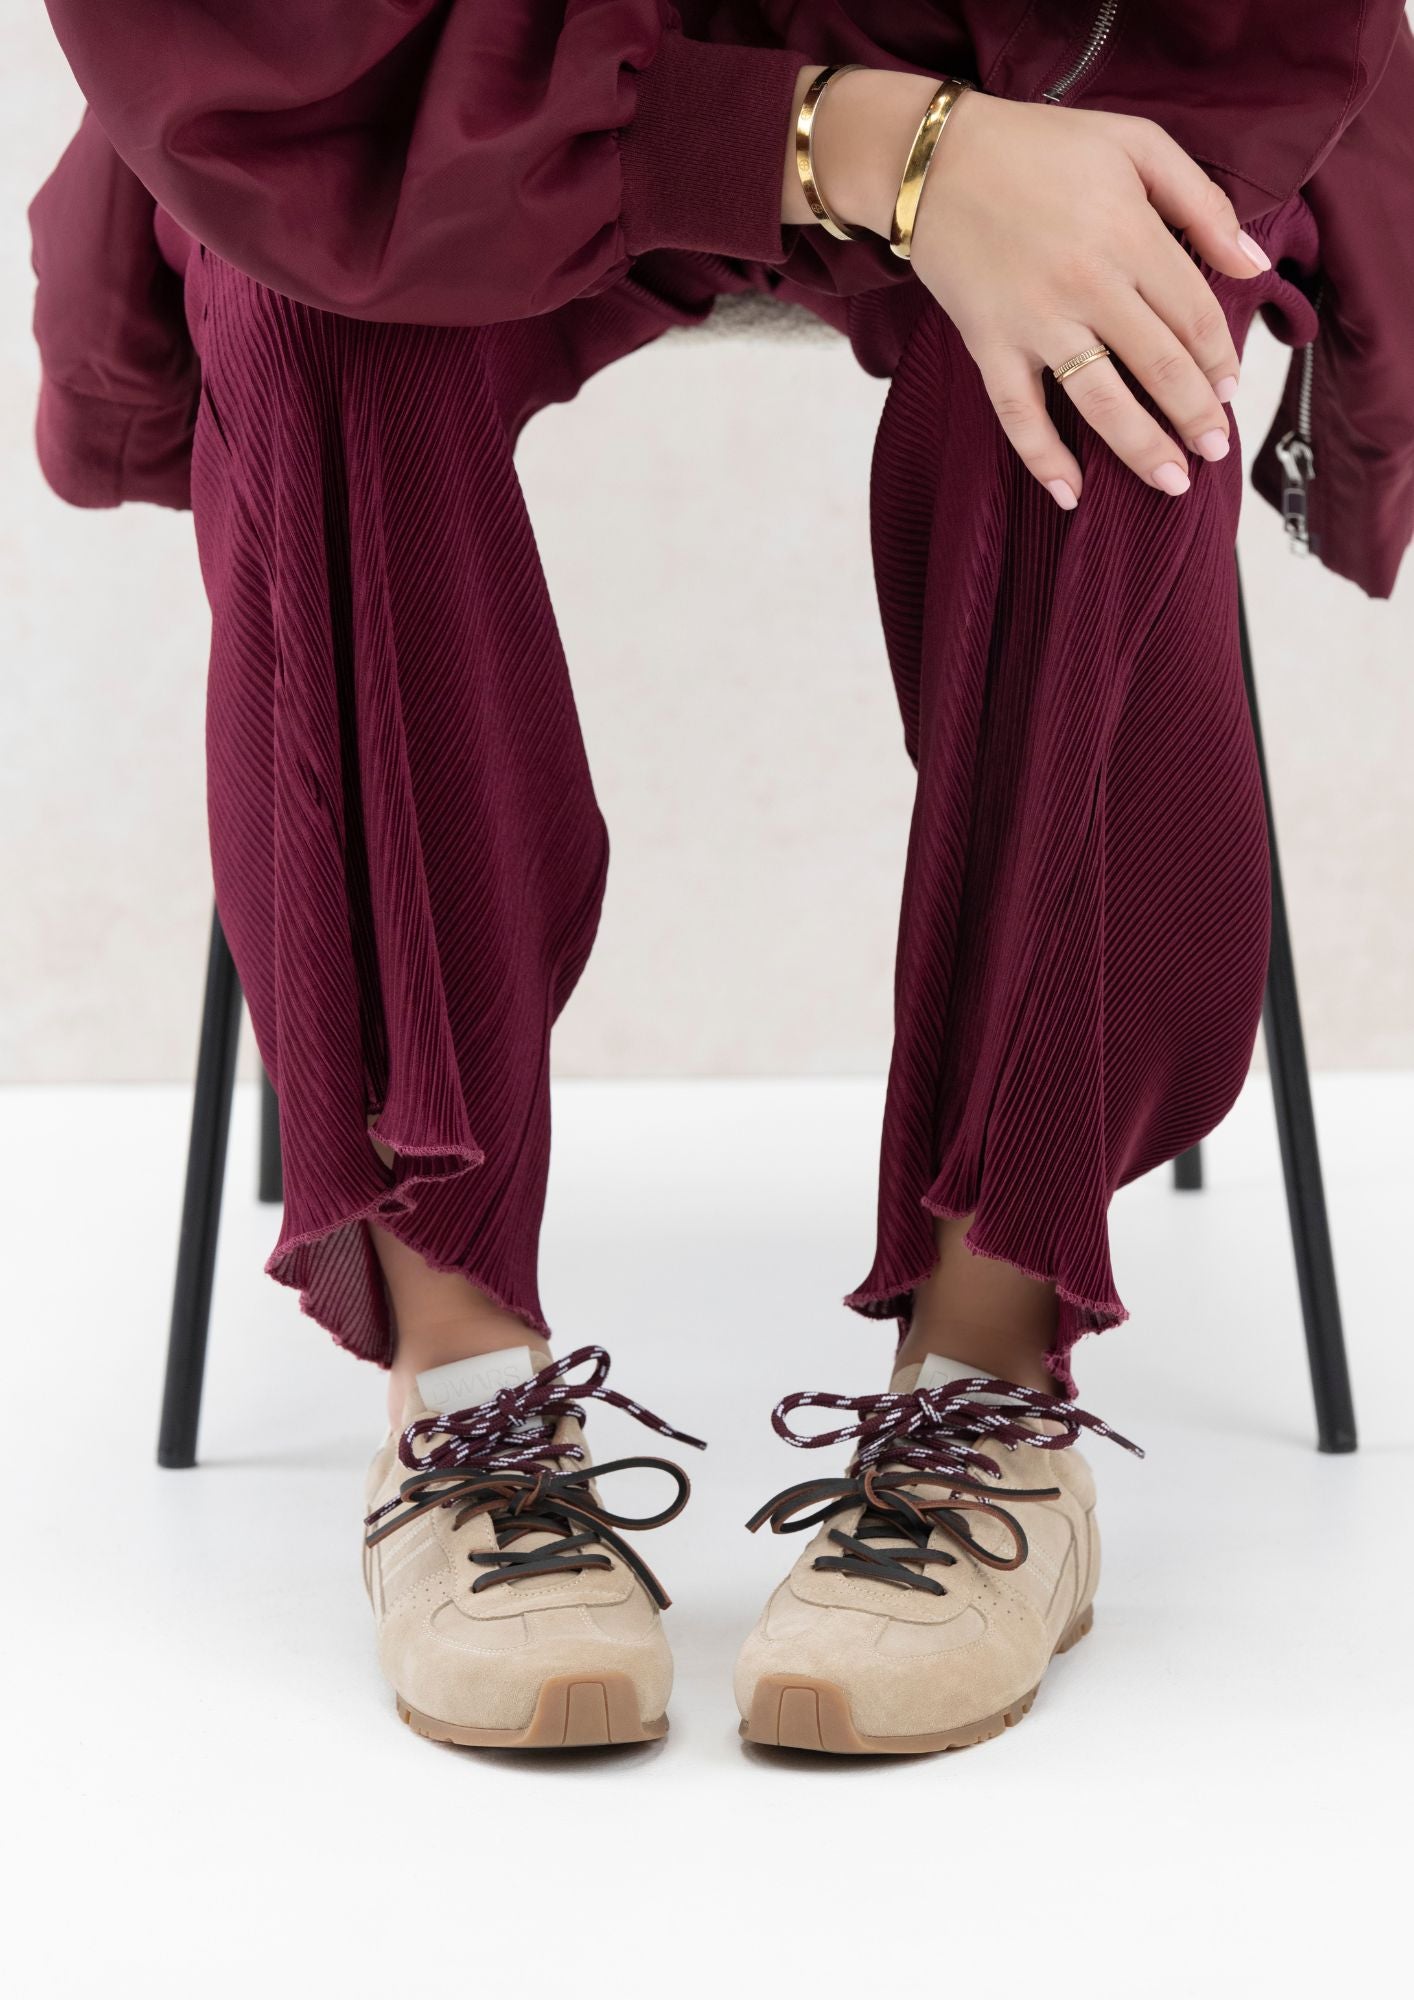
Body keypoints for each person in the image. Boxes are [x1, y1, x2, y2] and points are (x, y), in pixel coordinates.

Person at [30, 3, 1414, 1754]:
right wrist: (871, 150)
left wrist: (967, 147)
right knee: (315, 322)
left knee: (1109, 307)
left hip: (1020, 36)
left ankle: (985, 1384)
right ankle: (461, 1385)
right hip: (433, 79)